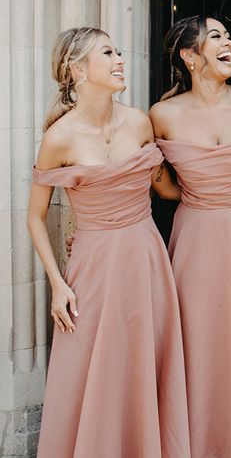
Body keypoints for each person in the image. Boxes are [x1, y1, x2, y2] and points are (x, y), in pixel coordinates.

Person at [28, 27, 189, 457]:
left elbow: (168, 189)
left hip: (146, 257)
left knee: (143, 365)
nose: (120, 59)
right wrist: (58, 284)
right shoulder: (58, 137)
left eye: (119, 51)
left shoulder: (139, 122)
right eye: (108, 53)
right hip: (93, 268)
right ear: (77, 69)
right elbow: (35, 217)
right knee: (92, 370)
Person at [149, 15, 231, 458]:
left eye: (229, 34)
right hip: (197, 241)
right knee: (201, 342)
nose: (229, 42)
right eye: (217, 37)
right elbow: (163, 186)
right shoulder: (162, 116)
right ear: (190, 56)